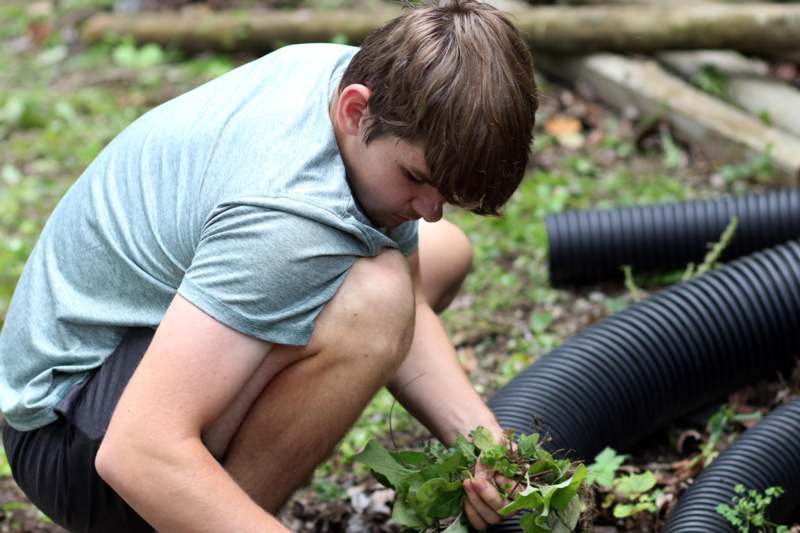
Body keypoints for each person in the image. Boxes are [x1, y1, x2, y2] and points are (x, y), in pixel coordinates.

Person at [0, 0, 537, 530]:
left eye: (445, 194)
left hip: (115, 372)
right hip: (70, 441)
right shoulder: (284, 215)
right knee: (375, 301)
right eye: (417, 179)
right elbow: (138, 453)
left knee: (440, 254)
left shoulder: (362, 82)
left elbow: (412, 312)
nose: (430, 209)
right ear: (355, 109)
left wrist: (488, 449)